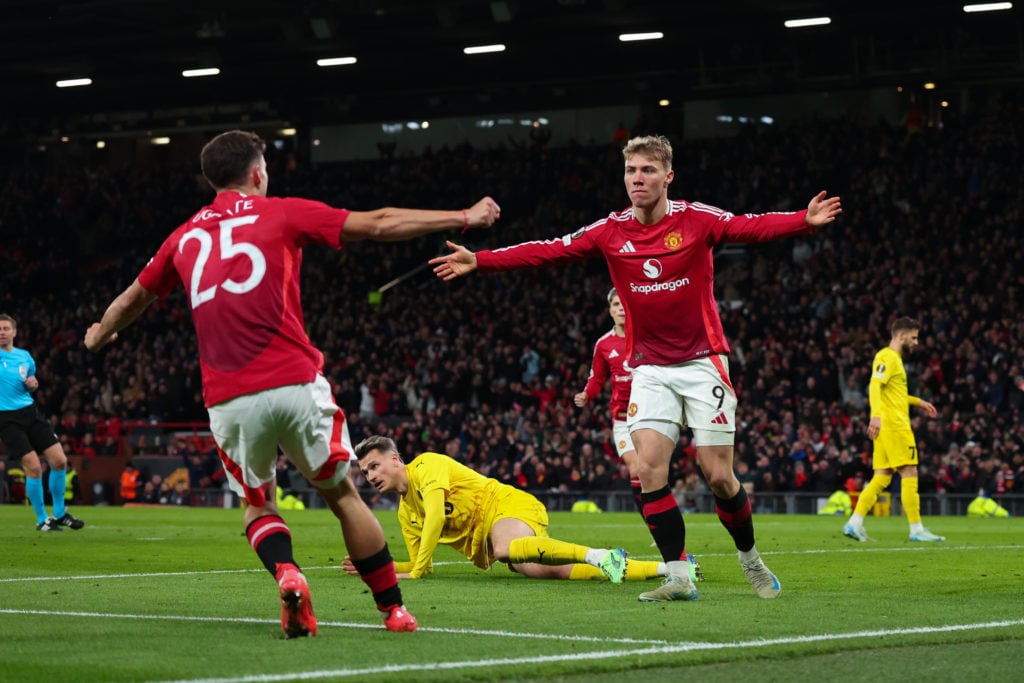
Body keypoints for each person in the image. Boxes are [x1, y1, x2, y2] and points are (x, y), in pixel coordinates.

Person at [84, 129, 500, 637]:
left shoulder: (183, 237)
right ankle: (394, 610)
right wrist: (463, 217)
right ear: (257, 172)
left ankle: (288, 572)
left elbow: (132, 299)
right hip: (294, 382)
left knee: (258, 505)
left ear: (211, 179)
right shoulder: (281, 211)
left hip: (229, 397)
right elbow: (379, 223)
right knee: (344, 495)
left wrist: (98, 335)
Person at [430, 134, 842, 602]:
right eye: (630, 171)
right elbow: (547, 249)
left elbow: (751, 226)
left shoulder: (698, 220)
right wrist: (480, 261)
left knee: (719, 476)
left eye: (647, 170)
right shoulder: (611, 230)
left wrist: (802, 222)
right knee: (648, 470)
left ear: (668, 177)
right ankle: (679, 577)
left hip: (703, 360)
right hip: (648, 366)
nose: (637, 179)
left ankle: (749, 557)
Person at [347, 435, 669, 583]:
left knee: (505, 550)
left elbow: (434, 516)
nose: (371, 476)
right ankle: (664, 570)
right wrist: (380, 567)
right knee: (538, 568)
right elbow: (422, 564)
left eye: (374, 466)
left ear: (394, 459)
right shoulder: (405, 513)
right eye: (365, 473)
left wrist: (414, 573)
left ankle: (596, 554)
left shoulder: (427, 465)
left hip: (506, 505)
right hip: (496, 527)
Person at [574, 287, 702, 581]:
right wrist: (586, 395)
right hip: (622, 419)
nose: (620, 308)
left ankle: (664, 531)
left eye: (624, 303)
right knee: (636, 468)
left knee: (652, 474)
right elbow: (597, 378)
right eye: (615, 304)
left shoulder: (646, 338)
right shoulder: (604, 344)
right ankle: (655, 525)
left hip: (652, 414)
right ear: (609, 310)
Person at [843, 317, 944, 542]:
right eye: (914, 337)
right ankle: (917, 529)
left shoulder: (892, 359)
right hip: (894, 425)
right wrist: (875, 417)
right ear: (901, 335)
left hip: (888, 425)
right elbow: (875, 385)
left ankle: (854, 523)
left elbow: (894, 393)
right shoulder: (888, 357)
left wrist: (918, 402)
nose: (916, 342)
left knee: (882, 476)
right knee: (910, 472)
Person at [0, 314, 86, 532]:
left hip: (30, 413)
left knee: (59, 461)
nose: (2, 332)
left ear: (14, 332)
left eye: (6, 329)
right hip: (6, 419)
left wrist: (33, 383)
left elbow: (32, 384)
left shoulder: (25, 357)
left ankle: (59, 514)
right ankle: (41, 520)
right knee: (34, 467)